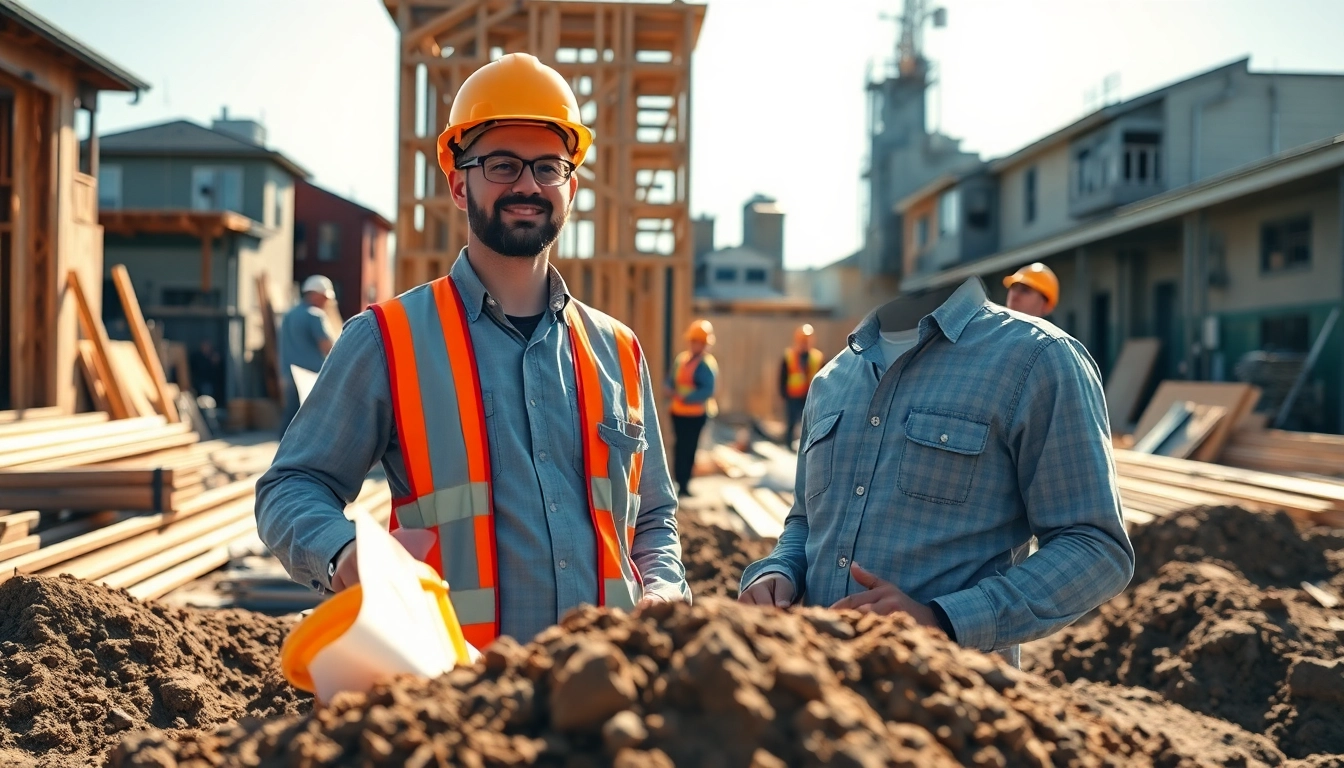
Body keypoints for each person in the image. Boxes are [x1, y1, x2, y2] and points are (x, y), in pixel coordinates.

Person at [255, 53, 689, 648]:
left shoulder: (618, 350)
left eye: (548, 167)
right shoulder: (388, 339)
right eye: (503, 165)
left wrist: (662, 593)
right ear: (460, 184)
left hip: (603, 703)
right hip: (455, 707)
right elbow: (292, 486)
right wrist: (349, 557)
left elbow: (656, 519)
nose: (528, 185)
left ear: (572, 185)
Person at [738, 277, 1134, 667]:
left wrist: (943, 620)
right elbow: (806, 521)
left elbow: (1095, 545)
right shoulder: (831, 380)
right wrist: (779, 571)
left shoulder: (1038, 359)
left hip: (948, 709)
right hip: (818, 694)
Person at [277, 275, 338, 436]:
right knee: (312, 420)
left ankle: (283, 451)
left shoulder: (289, 315)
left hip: (289, 375)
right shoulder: (315, 315)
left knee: (291, 415)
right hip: (311, 376)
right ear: (315, 294)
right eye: (325, 297)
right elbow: (328, 347)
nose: (326, 302)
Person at [664, 320, 718, 498]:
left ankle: (685, 484)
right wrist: (669, 389)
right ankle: (678, 482)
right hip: (678, 413)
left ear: (705, 344)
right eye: (693, 341)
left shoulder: (706, 365)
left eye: (699, 342)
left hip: (696, 414)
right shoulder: (682, 359)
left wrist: (686, 397)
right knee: (679, 447)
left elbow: (707, 390)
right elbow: (672, 379)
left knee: (689, 449)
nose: (695, 345)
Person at [778, 323, 823, 448]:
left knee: (808, 422)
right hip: (793, 395)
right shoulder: (789, 355)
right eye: (802, 339)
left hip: (810, 395)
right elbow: (783, 376)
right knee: (791, 421)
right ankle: (788, 443)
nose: (804, 342)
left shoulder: (817, 357)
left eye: (807, 339)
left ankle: (806, 446)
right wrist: (783, 393)